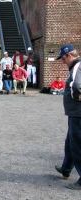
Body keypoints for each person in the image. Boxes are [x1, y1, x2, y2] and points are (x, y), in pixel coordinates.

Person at [55, 44, 81, 190]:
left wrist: (77, 97)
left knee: (77, 145)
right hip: (75, 113)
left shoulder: (77, 65)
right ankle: (66, 169)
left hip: (78, 113)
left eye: (63, 58)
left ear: (69, 55)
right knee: (70, 143)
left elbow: (76, 86)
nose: (62, 61)